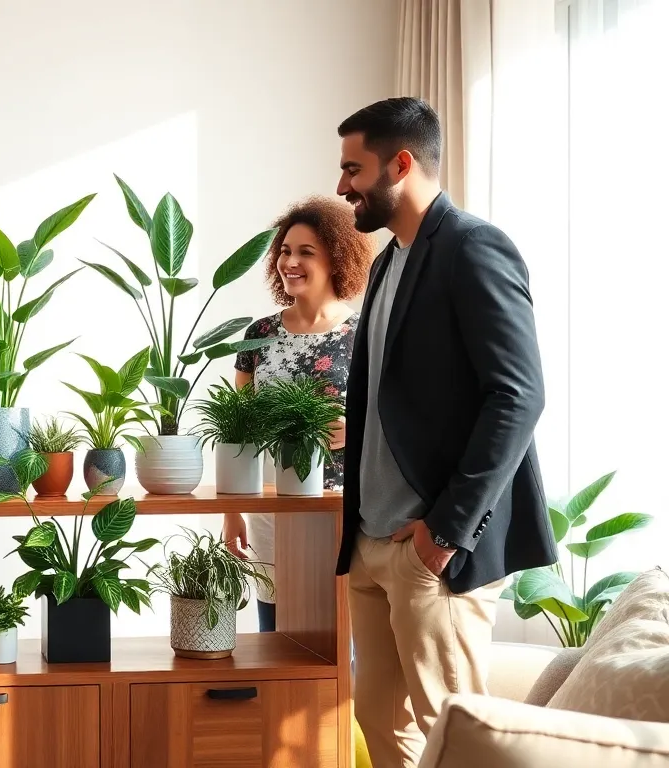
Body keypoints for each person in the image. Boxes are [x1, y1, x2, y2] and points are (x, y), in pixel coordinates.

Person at [332, 98, 556, 767]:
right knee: (378, 716)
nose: (342, 186)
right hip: (374, 541)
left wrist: (445, 533)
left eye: (353, 168)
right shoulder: (390, 260)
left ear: (400, 163)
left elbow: (520, 395)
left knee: (455, 733)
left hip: (432, 552)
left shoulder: (472, 247)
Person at [222, 197, 375, 632]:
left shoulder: (363, 333)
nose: (291, 261)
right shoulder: (260, 335)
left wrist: (358, 431)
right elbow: (240, 428)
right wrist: (232, 512)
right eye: (286, 251)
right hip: (273, 508)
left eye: (306, 252)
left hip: (343, 510)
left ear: (337, 258)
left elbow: (394, 422)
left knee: (343, 641)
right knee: (276, 635)